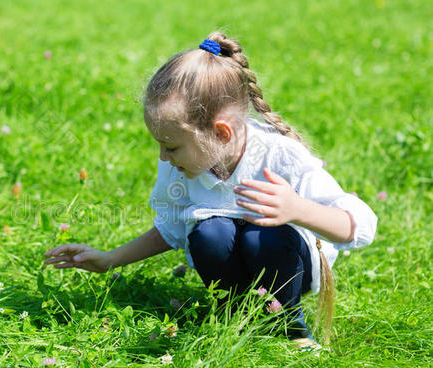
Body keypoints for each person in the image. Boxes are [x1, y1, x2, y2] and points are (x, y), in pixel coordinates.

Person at [44, 32, 377, 349]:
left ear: (221, 134)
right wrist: (110, 258)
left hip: (290, 266)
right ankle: (234, 315)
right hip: (235, 266)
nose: (163, 157)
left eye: (171, 147)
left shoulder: (280, 157)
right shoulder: (184, 166)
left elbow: (361, 225)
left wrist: (299, 210)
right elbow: (171, 229)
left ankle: (290, 328)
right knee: (208, 233)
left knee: (263, 237)